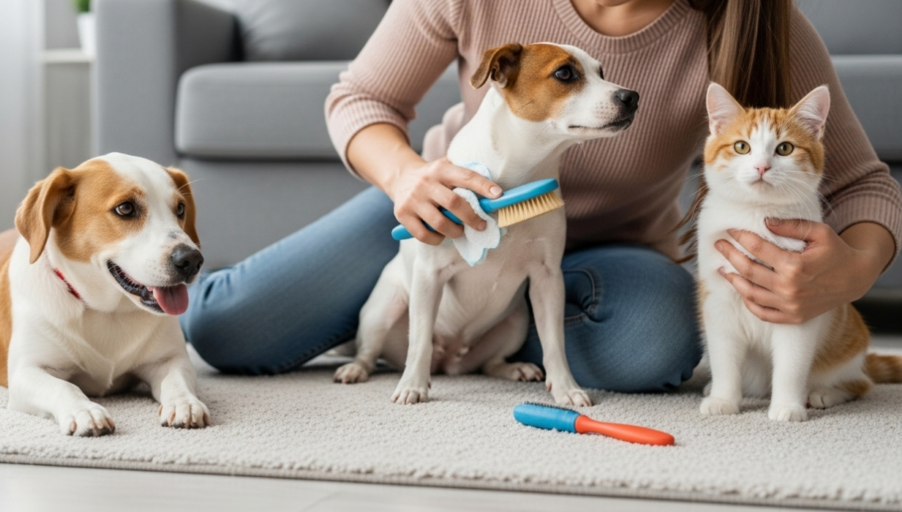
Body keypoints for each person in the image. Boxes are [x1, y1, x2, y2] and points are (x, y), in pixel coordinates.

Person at [181, 0, 901, 393]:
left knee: (656, 347)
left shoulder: (754, 18)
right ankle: (420, 319)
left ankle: (498, 330)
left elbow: (863, 181)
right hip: (449, 213)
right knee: (224, 329)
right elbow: (361, 97)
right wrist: (406, 179)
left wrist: (852, 270)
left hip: (606, 256)